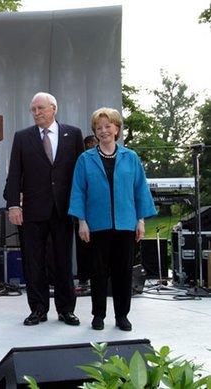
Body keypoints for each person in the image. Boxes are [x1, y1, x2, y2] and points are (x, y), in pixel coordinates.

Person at [68, 107, 156, 331]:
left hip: (126, 223)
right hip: (97, 225)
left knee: (123, 272)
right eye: (99, 127)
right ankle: (98, 315)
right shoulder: (85, 159)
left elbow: (140, 190)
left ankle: (122, 316)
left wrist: (141, 220)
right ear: (95, 132)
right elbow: (78, 191)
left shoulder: (131, 157)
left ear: (117, 129)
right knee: (98, 272)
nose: (103, 130)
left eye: (108, 126)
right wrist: (82, 221)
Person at [4, 92, 83, 327]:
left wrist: (81, 207)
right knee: (33, 261)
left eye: (41, 108)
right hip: (32, 211)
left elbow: (79, 174)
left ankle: (66, 309)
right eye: (33, 109)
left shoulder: (73, 134)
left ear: (54, 109)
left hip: (63, 209)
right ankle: (38, 309)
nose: (37, 113)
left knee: (63, 262)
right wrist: (13, 205)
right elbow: (15, 173)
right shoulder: (22, 137)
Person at [75, 134, 99, 286]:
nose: (92, 147)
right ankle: (84, 276)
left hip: (97, 210)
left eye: (93, 144)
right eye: (89, 145)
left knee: (96, 247)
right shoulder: (82, 161)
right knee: (83, 246)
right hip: (83, 211)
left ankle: (95, 276)